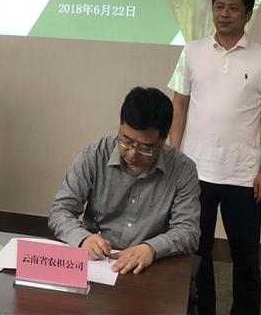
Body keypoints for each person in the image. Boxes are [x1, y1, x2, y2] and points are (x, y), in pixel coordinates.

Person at [168, 0, 261, 315]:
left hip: (244, 176)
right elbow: (179, 105)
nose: (224, 14)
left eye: (233, 8)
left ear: (247, 15)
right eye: (219, 6)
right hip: (194, 173)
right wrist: (174, 155)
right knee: (196, 254)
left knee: (245, 257)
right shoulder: (192, 51)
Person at [48, 86, 200, 275]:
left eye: (145, 147)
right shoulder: (95, 156)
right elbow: (60, 210)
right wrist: (83, 239)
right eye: (126, 141)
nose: (132, 153)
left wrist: (151, 248)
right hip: (97, 261)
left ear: (164, 138)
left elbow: (188, 230)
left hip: (150, 266)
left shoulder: (183, 169)